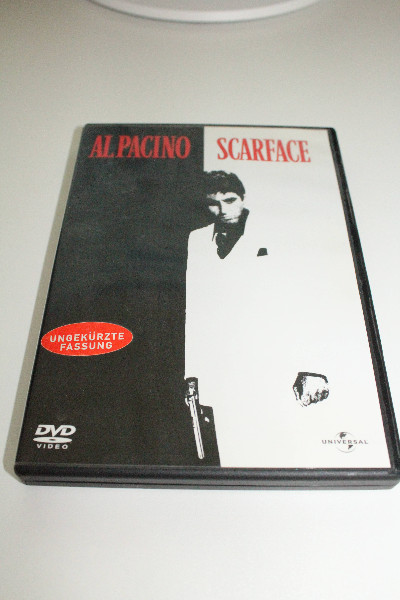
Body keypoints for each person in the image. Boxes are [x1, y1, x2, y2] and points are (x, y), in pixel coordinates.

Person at [185, 171, 330, 467]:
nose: (222, 210)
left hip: (272, 361)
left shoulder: (277, 233)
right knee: (229, 452)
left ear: (242, 199)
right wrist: (192, 374)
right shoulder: (197, 239)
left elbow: (302, 299)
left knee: (277, 450)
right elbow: (195, 306)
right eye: (213, 203)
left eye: (230, 200)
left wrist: (311, 367)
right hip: (220, 366)